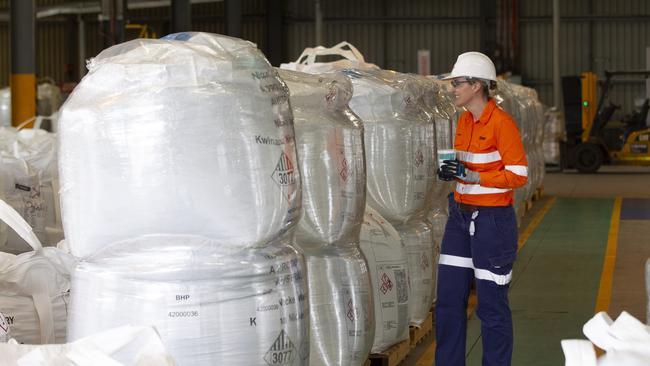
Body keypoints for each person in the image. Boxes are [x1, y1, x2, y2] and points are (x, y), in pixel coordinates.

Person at [435, 51, 528, 366]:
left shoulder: (502, 124)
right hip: (459, 217)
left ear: (476, 85)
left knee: (491, 306)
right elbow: (467, 165)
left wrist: (477, 176)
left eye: (458, 83)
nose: (453, 89)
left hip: (492, 222)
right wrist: (452, 169)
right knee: (448, 301)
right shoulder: (463, 120)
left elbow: (519, 174)